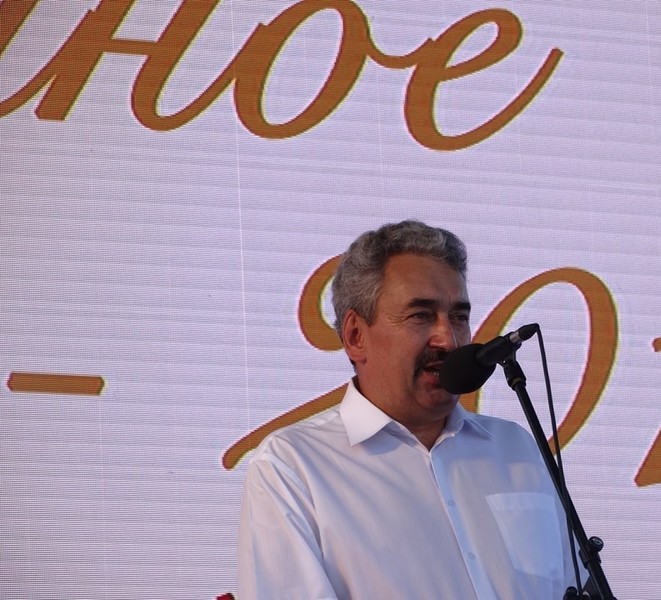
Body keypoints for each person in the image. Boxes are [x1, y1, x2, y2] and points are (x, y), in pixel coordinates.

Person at [238, 220, 582, 599]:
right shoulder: (293, 467)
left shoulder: (517, 448)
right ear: (355, 336)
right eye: (421, 315)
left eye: (459, 317)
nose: (448, 340)